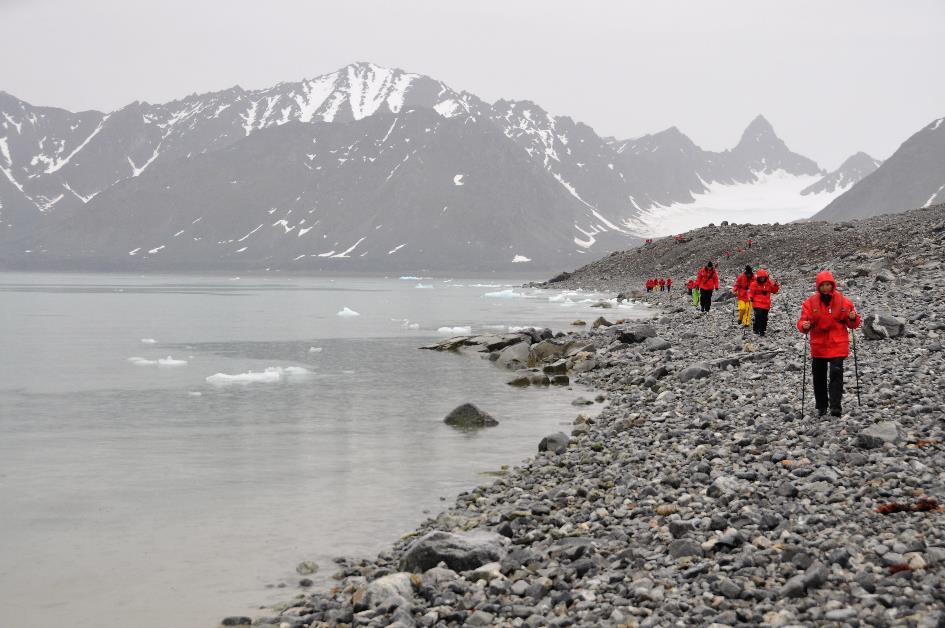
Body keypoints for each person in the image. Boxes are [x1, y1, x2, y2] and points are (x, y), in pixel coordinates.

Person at [797, 271, 861, 417]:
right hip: (819, 344)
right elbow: (802, 321)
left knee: (836, 373)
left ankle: (836, 407)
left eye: (828, 285)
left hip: (837, 343)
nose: (826, 288)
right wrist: (804, 326)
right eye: (823, 285)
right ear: (818, 287)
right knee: (818, 375)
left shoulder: (844, 301)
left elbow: (853, 324)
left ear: (833, 285)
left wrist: (853, 318)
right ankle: (821, 406)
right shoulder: (810, 303)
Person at [747, 269, 779, 336]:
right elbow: (750, 292)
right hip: (757, 303)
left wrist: (776, 285)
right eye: (760, 277)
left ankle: (762, 331)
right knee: (758, 315)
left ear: (765, 277)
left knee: (764, 318)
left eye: (763, 277)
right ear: (758, 277)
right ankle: (756, 329)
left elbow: (774, 291)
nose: (762, 278)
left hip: (766, 304)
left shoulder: (769, 283)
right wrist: (750, 297)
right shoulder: (754, 284)